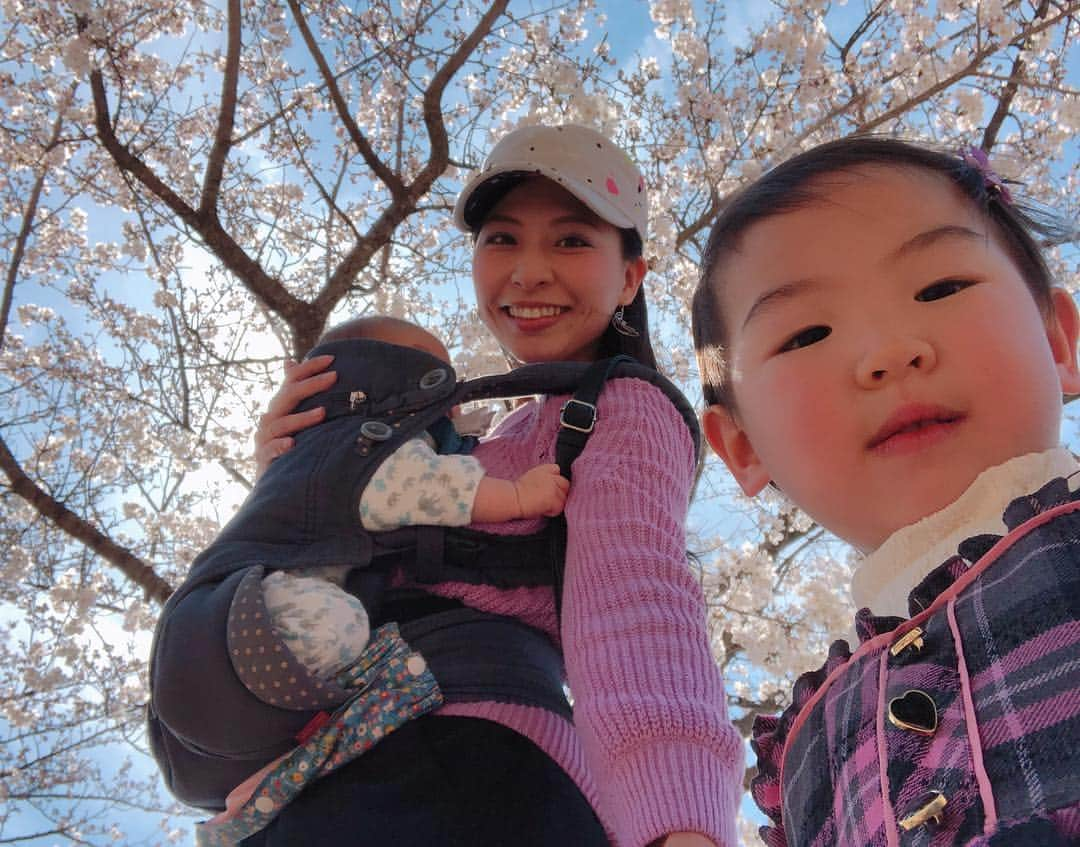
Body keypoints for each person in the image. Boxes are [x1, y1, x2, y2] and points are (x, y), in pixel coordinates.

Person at [159, 124, 743, 847]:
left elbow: (633, 593)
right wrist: (295, 473)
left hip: (462, 773)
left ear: (629, 277)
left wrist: (677, 825)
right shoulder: (479, 442)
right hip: (338, 767)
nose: (528, 272)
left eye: (570, 240)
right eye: (501, 239)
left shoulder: (621, 406)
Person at [691, 137, 1080, 846]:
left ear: (1059, 341)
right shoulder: (804, 743)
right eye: (807, 334)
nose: (888, 352)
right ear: (741, 447)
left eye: (941, 288)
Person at [196, 314, 570, 841]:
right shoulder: (370, 445)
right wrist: (516, 496)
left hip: (235, 644)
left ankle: (278, 783)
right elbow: (409, 485)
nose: (451, 398)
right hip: (429, 717)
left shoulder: (329, 452)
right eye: (431, 375)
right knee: (371, 661)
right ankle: (299, 767)